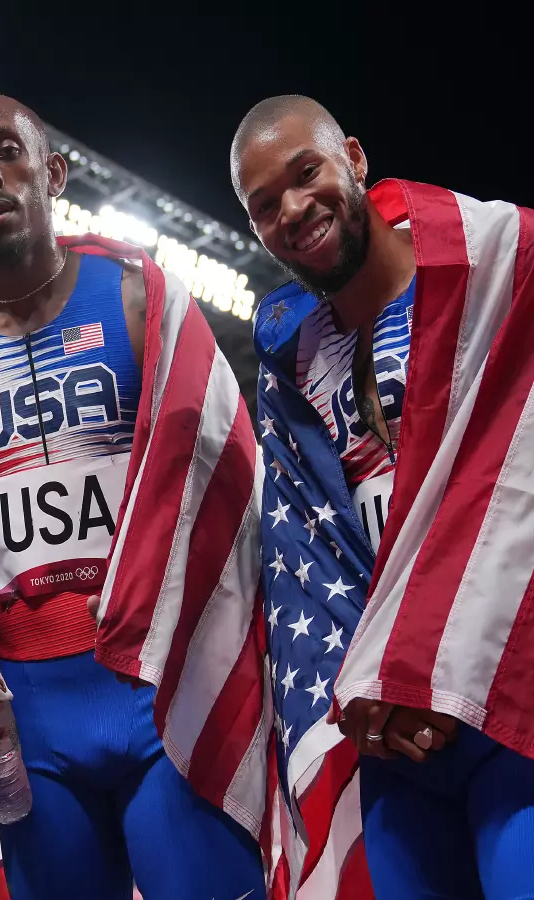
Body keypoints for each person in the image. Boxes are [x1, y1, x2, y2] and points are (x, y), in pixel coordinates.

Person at [0, 92, 267, 900]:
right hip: (33, 714)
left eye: (7, 153)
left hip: (161, 687)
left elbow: (232, 482)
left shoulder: (141, 300)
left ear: (52, 174)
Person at [233, 95, 534, 899]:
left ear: (355, 159)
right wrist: (367, 698)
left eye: (307, 175)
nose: (294, 211)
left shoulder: (496, 279)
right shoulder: (294, 370)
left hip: (511, 701)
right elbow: (306, 557)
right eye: (266, 206)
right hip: (396, 739)